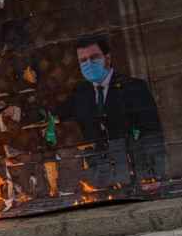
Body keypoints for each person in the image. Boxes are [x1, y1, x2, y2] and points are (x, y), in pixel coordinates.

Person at [55, 35, 165, 186]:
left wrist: (154, 175)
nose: (89, 64)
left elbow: (152, 134)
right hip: (100, 178)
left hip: (136, 174)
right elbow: (56, 116)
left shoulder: (134, 87)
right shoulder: (80, 93)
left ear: (107, 58)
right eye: (83, 60)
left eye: (94, 57)